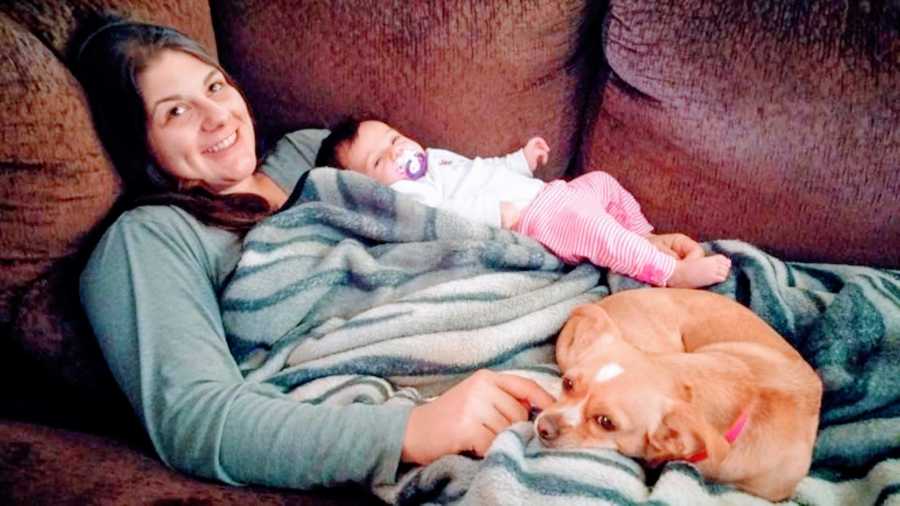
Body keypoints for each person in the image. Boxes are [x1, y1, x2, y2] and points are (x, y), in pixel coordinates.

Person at [73, 16, 555, 490]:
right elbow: (196, 421)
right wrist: (414, 431)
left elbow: (442, 203)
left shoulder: (310, 152)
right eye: (175, 112)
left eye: (215, 87)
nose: (217, 116)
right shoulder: (147, 239)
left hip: (519, 300)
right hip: (428, 385)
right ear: (139, 143)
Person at [315, 119, 732, 288]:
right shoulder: (410, 195)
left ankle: (645, 238)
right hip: (535, 220)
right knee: (593, 227)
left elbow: (483, 168)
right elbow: (444, 219)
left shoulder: (436, 158)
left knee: (602, 184)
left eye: (392, 138)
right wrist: (498, 215)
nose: (395, 152)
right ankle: (668, 273)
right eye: (378, 160)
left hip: (550, 194)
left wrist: (519, 160)